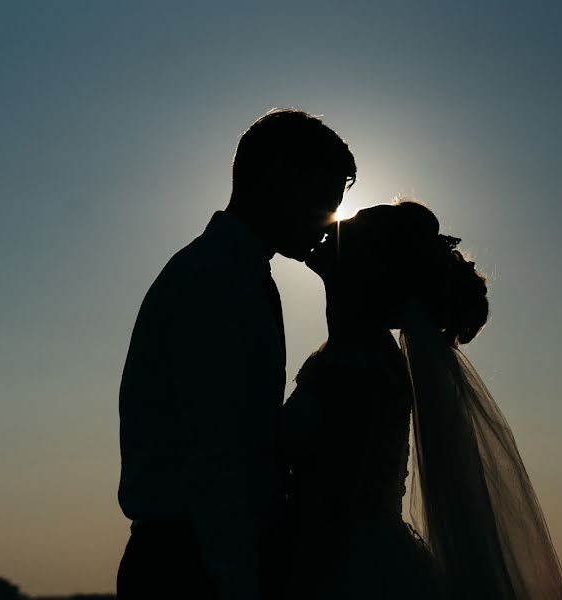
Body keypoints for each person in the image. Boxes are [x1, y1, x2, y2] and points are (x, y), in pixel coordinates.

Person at [116, 108, 356, 600]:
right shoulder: (214, 281)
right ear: (278, 181)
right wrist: (236, 581)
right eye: (322, 202)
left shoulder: (236, 274)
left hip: (211, 550)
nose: (329, 223)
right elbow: (212, 449)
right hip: (194, 562)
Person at [280, 201, 562, 599]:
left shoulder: (358, 369)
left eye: (353, 224)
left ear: (371, 267)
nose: (335, 224)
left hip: (343, 574)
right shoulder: (352, 354)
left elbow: (332, 506)